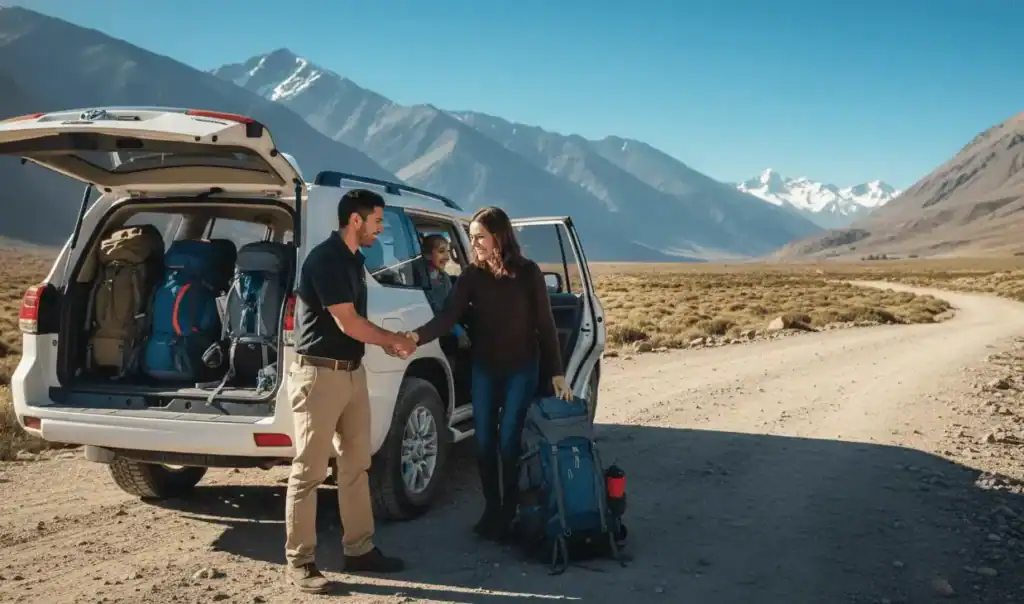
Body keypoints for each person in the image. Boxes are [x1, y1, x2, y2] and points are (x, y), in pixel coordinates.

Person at [405, 206, 573, 542]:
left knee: (508, 440)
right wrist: (415, 337)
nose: (474, 243)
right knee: (484, 443)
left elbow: (545, 324)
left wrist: (556, 372)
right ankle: (492, 508)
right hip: (484, 368)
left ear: (499, 236)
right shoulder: (471, 276)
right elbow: (449, 316)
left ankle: (510, 510)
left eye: (479, 237)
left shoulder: (528, 273)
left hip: (522, 368)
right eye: (471, 238)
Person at [284, 188, 416, 594]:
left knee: (356, 464)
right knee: (309, 471)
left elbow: (355, 324)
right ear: (355, 221)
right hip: (319, 377)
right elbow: (348, 322)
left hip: (351, 373)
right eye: (377, 221)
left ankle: (359, 550)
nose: (379, 229)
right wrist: (394, 339)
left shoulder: (354, 260)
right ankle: (301, 562)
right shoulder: (326, 259)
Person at [420, 234, 470, 350]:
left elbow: (451, 306)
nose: (447, 257)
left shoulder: (444, 277)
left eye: (448, 252)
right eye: (441, 251)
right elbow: (437, 310)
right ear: (427, 255)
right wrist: (457, 330)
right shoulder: (421, 279)